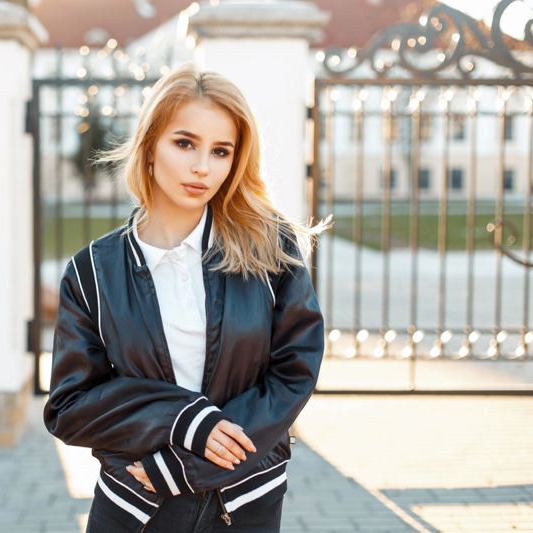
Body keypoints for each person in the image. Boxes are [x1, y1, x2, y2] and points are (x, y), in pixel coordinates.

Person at [44, 62, 326, 533]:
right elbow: (69, 407)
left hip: (244, 502)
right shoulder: (92, 272)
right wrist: (183, 420)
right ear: (150, 145)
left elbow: (294, 374)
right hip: (135, 504)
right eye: (184, 143)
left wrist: (186, 467)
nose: (202, 167)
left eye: (221, 151)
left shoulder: (269, 248)